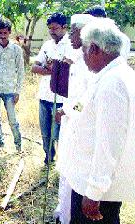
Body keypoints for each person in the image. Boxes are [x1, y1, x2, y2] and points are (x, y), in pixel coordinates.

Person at [65, 19, 135, 223]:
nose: (83, 56)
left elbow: (109, 144)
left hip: (95, 188)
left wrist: (93, 193)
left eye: (84, 49)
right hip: (87, 180)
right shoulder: (107, 74)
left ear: (94, 48)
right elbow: (83, 103)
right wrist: (66, 110)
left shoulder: (113, 83)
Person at [54, 14, 95, 224]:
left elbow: (85, 101)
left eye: (73, 31)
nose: (69, 35)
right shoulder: (76, 58)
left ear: (84, 33)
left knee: (72, 174)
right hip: (69, 123)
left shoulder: (91, 64)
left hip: (79, 125)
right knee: (64, 170)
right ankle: (62, 213)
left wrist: (66, 110)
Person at [31, 13, 73, 164]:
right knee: (45, 133)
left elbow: (68, 71)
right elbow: (34, 67)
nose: (51, 31)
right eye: (49, 28)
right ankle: (48, 158)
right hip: (44, 96)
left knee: (59, 134)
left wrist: (50, 68)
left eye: (55, 28)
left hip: (61, 99)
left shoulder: (71, 45)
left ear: (64, 27)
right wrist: (54, 69)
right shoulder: (47, 45)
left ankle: (63, 164)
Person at [0, 20, 24, 152]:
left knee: (12, 119)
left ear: (9, 32)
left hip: (10, 90)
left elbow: (21, 71)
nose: (3, 35)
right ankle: (0, 144)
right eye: (0, 33)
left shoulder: (16, 49)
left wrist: (18, 91)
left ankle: (18, 145)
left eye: (5, 33)